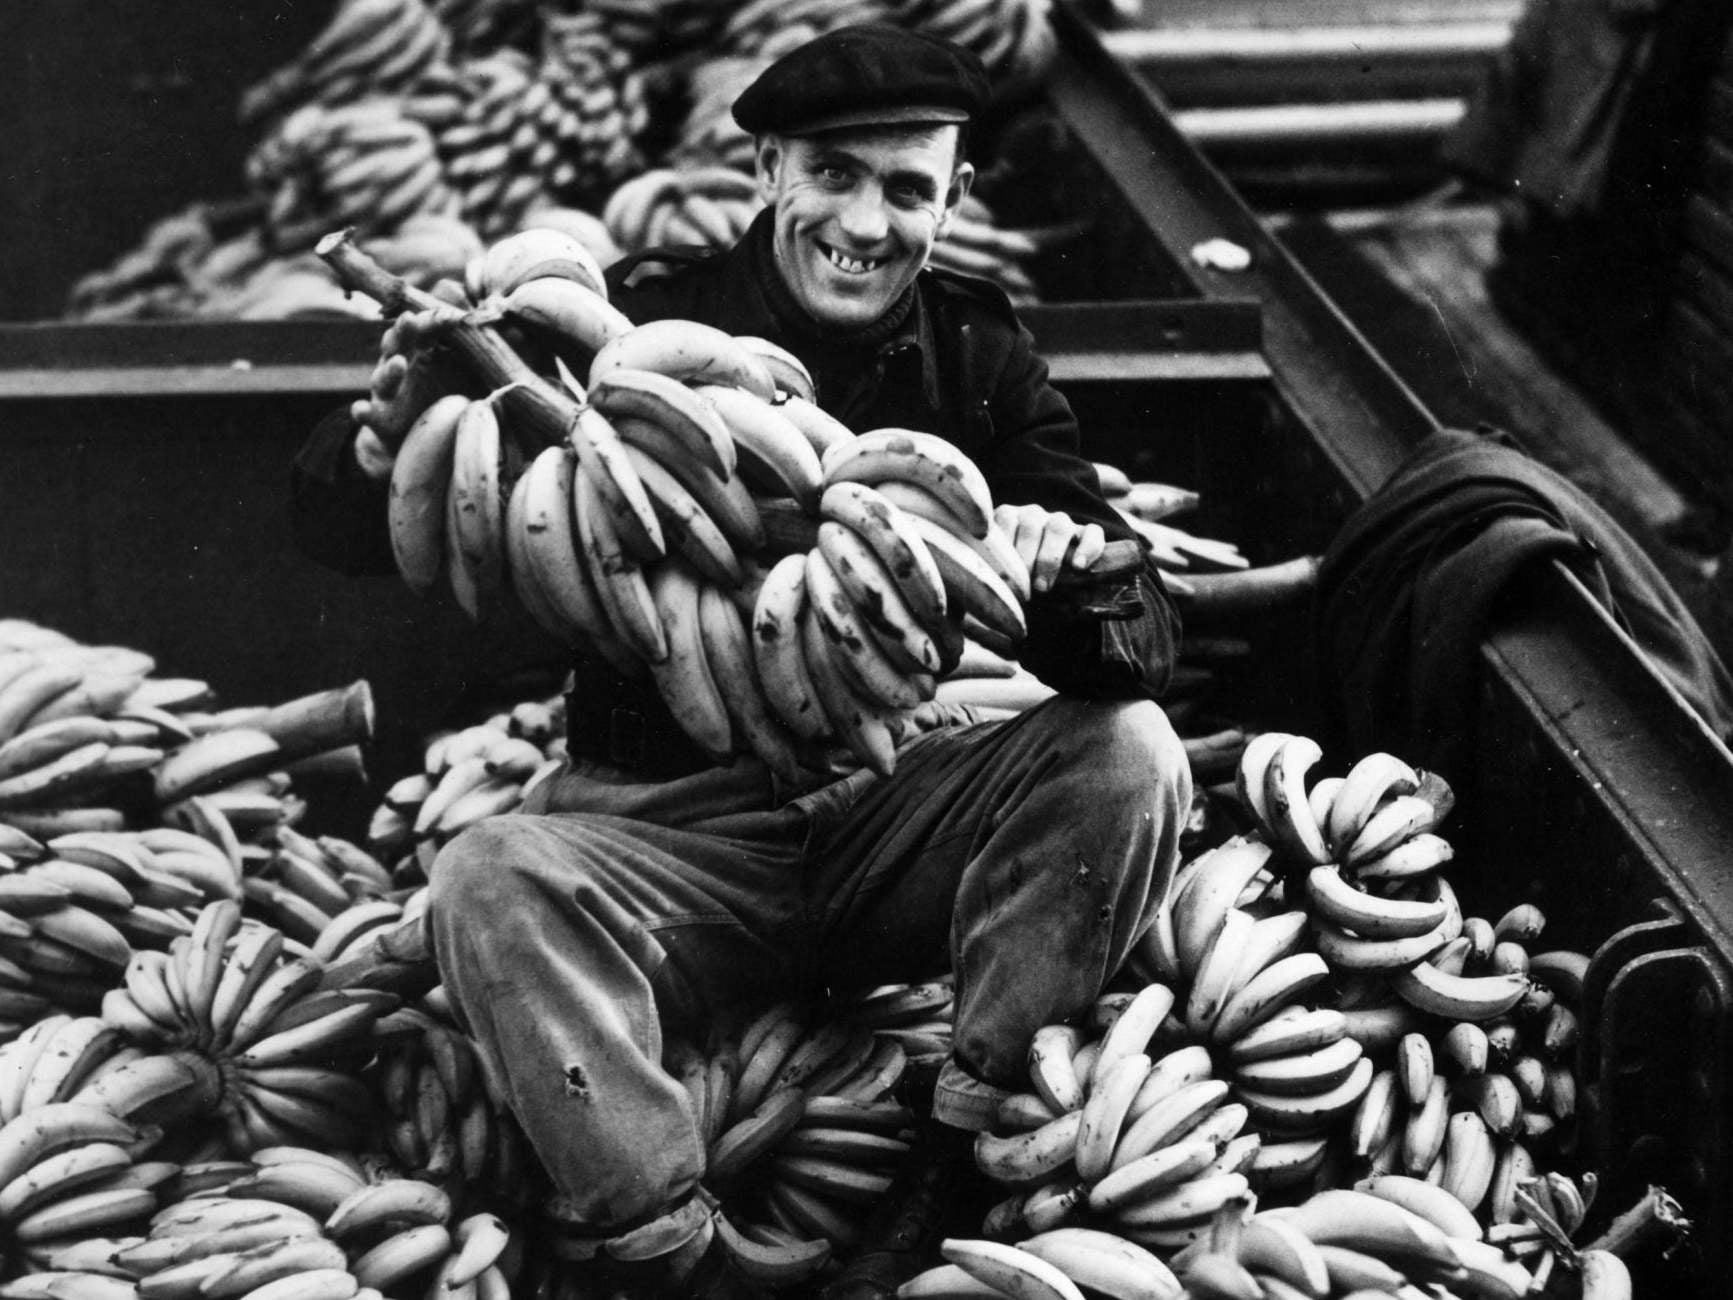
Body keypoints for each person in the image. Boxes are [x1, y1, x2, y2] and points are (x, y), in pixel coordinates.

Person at [291, 24, 1191, 1299]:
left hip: (885, 805)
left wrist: (1074, 579)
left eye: (906, 188)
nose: (863, 221)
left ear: (952, 201)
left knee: (1129, 756)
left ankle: (956, 1143)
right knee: (486, 874)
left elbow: (1138, 640)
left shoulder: (979, 355)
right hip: (664, 834)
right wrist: (383, 439)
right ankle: (677, 1247)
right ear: (766, 168)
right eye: (831, 172)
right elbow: (339, 526)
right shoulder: (636, 332)